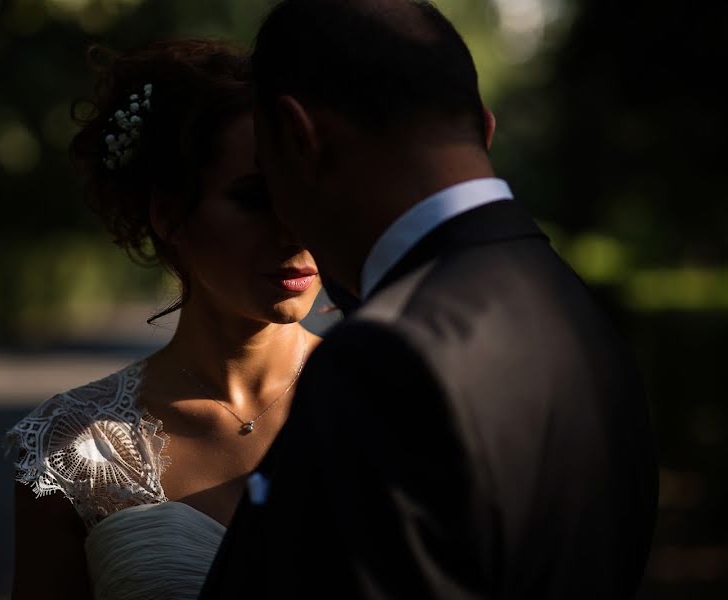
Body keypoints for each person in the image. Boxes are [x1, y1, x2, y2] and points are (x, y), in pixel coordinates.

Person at [201, 1, 659, 598]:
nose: (284, 225)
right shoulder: (577, 309)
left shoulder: (388, 358)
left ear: (300, 138)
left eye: (268, 177)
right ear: (485, 129)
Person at [4, 39, 322, 600]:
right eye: (255, 199)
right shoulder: (74, 446)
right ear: (170, 212)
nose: (293, 229)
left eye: (308, 193)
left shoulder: (393, 397)